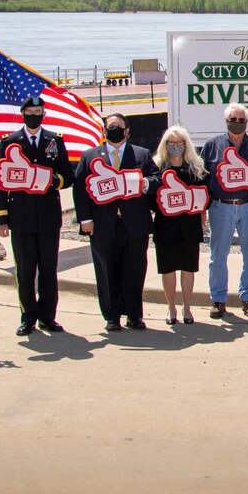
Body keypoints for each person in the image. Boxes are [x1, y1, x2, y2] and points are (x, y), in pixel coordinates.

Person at [73, 113, 160, 332]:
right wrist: (85, 220)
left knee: (134, 270)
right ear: (104, 130)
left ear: (127, 130)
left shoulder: (141, 154)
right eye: (110, 126)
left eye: (118, 126)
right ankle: (112, 316)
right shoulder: (90, 156)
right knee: (107, 269)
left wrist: (144, 184)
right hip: (103, 224)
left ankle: (134, 315)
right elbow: (80, 191)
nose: (114, 130)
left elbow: (157, 179)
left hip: (134, 223)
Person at [0, 95, 74, 336]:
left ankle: (48, 317)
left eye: (38, 111)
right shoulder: (9, 141)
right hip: (21, 216)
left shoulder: (54, 140)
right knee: (25, 270)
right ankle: (28, 316)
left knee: (49, 269)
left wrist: (51, 181)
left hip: (49, 214)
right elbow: (1, 181)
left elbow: (67, 176)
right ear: (22, 114)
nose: (34, 115)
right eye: (30, 111)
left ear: (43, 114)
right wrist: (2, 218)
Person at [200, 104, 248, 319]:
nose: (237, 122)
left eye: (241, 120)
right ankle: (218, 299)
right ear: (226, 121)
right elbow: (202, 179)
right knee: (217, 256)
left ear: (247, 122)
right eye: (233, 118)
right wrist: (201, 209)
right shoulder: (212, 146)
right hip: (220, 206)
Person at [151, 125, 208, 325]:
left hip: (189, 225)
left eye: (179, 142)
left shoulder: (196, 167)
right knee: (167, 268)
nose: (176, 146)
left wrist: (201, 210)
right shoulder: (157, 167)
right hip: (165, 225)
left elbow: (204, 195)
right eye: (171, 143)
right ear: (165, 145)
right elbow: (150, 197)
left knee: (188, 267)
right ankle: (171, 308)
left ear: (186, 144)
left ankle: (187, 308)